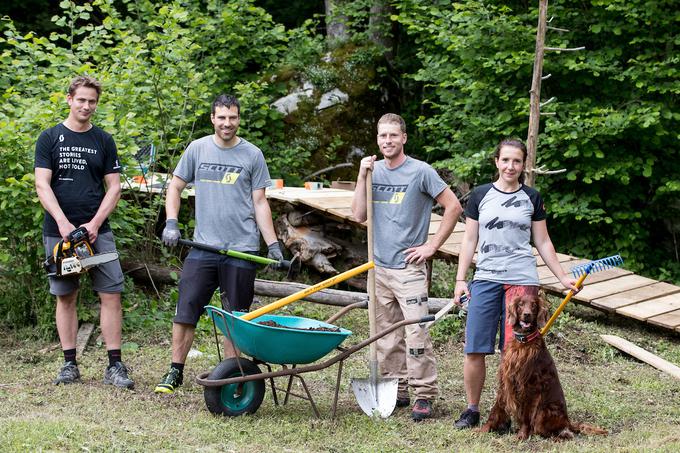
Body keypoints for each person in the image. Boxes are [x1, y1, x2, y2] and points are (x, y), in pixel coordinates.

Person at [154, 94, 282, 394]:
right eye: (222, 117)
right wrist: (171, 221)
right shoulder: (198, 149)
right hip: (204, 248)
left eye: (233, 117)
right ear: (213, 118)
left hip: (242, 249)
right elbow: (175, 186)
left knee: (234, 318)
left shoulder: (252, 155)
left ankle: (232, 378)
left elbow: (260, 202)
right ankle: (175, 371)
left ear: (239, 119)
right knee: (186, 310)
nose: (227, 123)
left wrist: (272, 244)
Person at [452, 138, 579, 429]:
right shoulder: (480, 195)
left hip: (522, 281)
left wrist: (562, 277)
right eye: (505, 160)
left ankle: (510, 412)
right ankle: (472, 410)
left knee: (517, 351)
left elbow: (543, 241)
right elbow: (469, 239)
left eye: (517, 161)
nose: (511, 166)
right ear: (496, 161)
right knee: (475, 347)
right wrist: (461, 279)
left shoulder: (532, 197)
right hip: (485, 278)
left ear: (524, 165)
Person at [351, 113, 463, 421]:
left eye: (392, 136)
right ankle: (397, 388)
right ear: (377, 139)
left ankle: (423, 394)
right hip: (379, 267)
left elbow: (454, 206)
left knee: (416, 333)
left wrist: (431, 246)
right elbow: (359, 214)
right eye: (382, 136)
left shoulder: (421, 172)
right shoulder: (374, 172)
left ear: (404, 138)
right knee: (386, 335)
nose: (387, 141)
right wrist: (362, 176)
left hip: (409, 269)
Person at [35, 75, 133, 389]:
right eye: (81, 100)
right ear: (69, 99)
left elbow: (114, 188)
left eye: (92, 101)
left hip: (97, 235)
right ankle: (69, 364)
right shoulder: (49, 138)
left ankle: (115, 366)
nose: (86, 106)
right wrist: (64, 224)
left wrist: (93, 224)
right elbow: (42, 185)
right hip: (60, 236)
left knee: (111, 294)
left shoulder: (103, 141)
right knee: (66, 296)